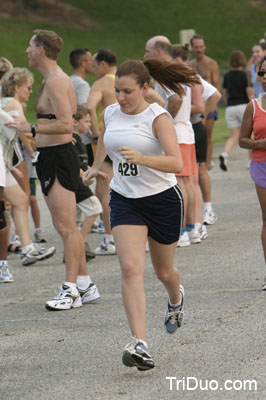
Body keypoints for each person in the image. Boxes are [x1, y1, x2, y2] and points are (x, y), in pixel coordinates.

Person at [83, 58, 199, 370]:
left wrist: (143, 158)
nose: (120, 97)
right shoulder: (111, 111)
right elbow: (106, 139)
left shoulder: (157, 117)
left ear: (145, 89)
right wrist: (96, 167)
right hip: (125, 199)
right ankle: (140, 343)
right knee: (131, 269)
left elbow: (176, 163)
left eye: (128, 91)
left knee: (164, 272)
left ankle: (176, 297)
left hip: (162, 199)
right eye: (117, 90)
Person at [6, 30, 97, 310]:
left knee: (66, 226)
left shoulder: (57, 81)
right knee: (66, 225)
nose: (26, 52)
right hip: (53, 156)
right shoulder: (53, 80)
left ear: (41, 50)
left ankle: (70, 291)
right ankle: (85, 284)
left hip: (58, 157)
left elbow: (66, 125)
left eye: (30, 47)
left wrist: (29, 127)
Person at [1, 67, 56, 266]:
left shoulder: (5, 103)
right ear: (16, 87)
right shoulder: (13, 103)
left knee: (21, 200)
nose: (31, 92)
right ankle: (26, 249)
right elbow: (26, 131)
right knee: (18, 202)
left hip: (3, 162)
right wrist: (58, 136)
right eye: (28, 87)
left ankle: (27, 249)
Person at [85, 48, 117, 255]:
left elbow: (89, 107)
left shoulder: (101, 83)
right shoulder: (125, 79)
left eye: (95, 66)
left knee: (103, 190)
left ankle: (110, 238)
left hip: (107, 140)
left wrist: (96, 132)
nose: (93, 70)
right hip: (127, 139)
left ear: (103, 65)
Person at [239, 55, 266, 291]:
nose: (264, 77)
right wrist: (260, 144)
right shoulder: (254, 106)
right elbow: (242, 140)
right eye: (262, 73)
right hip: (262, 166)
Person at [73, 105, 102, 265]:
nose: (90, 125)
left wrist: (98, 172)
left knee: (76, 217)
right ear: (75, 122)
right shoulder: (72, 139)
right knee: (95, 208)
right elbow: (73, 163)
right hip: (76, 184)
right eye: (86, 121)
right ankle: (80, 244)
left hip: (78, 182)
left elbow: (84, 165)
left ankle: (72, 249)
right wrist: (84, 175)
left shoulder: (79, 140)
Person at [190, 34, 221, 170]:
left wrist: (213, 105)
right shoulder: (189, 65)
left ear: (205, 47)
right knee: (194, 137)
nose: (199, 49)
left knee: (207, 136)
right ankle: (196, 164)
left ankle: (206, 165)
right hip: (195, 105)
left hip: (209, 104)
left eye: (201, 46)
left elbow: (216, 85)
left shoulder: (211, 63)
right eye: (196, 47)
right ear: (192, 48)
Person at [219, 50, 250, 171]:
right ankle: (250, 160)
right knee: (249, 135)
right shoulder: (244, 75)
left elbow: (225, 92)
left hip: (230, 108)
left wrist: (228, 103)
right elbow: (248, 91)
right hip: (243, 106)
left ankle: (225, 154)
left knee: (233, 136)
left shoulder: (227, 75)